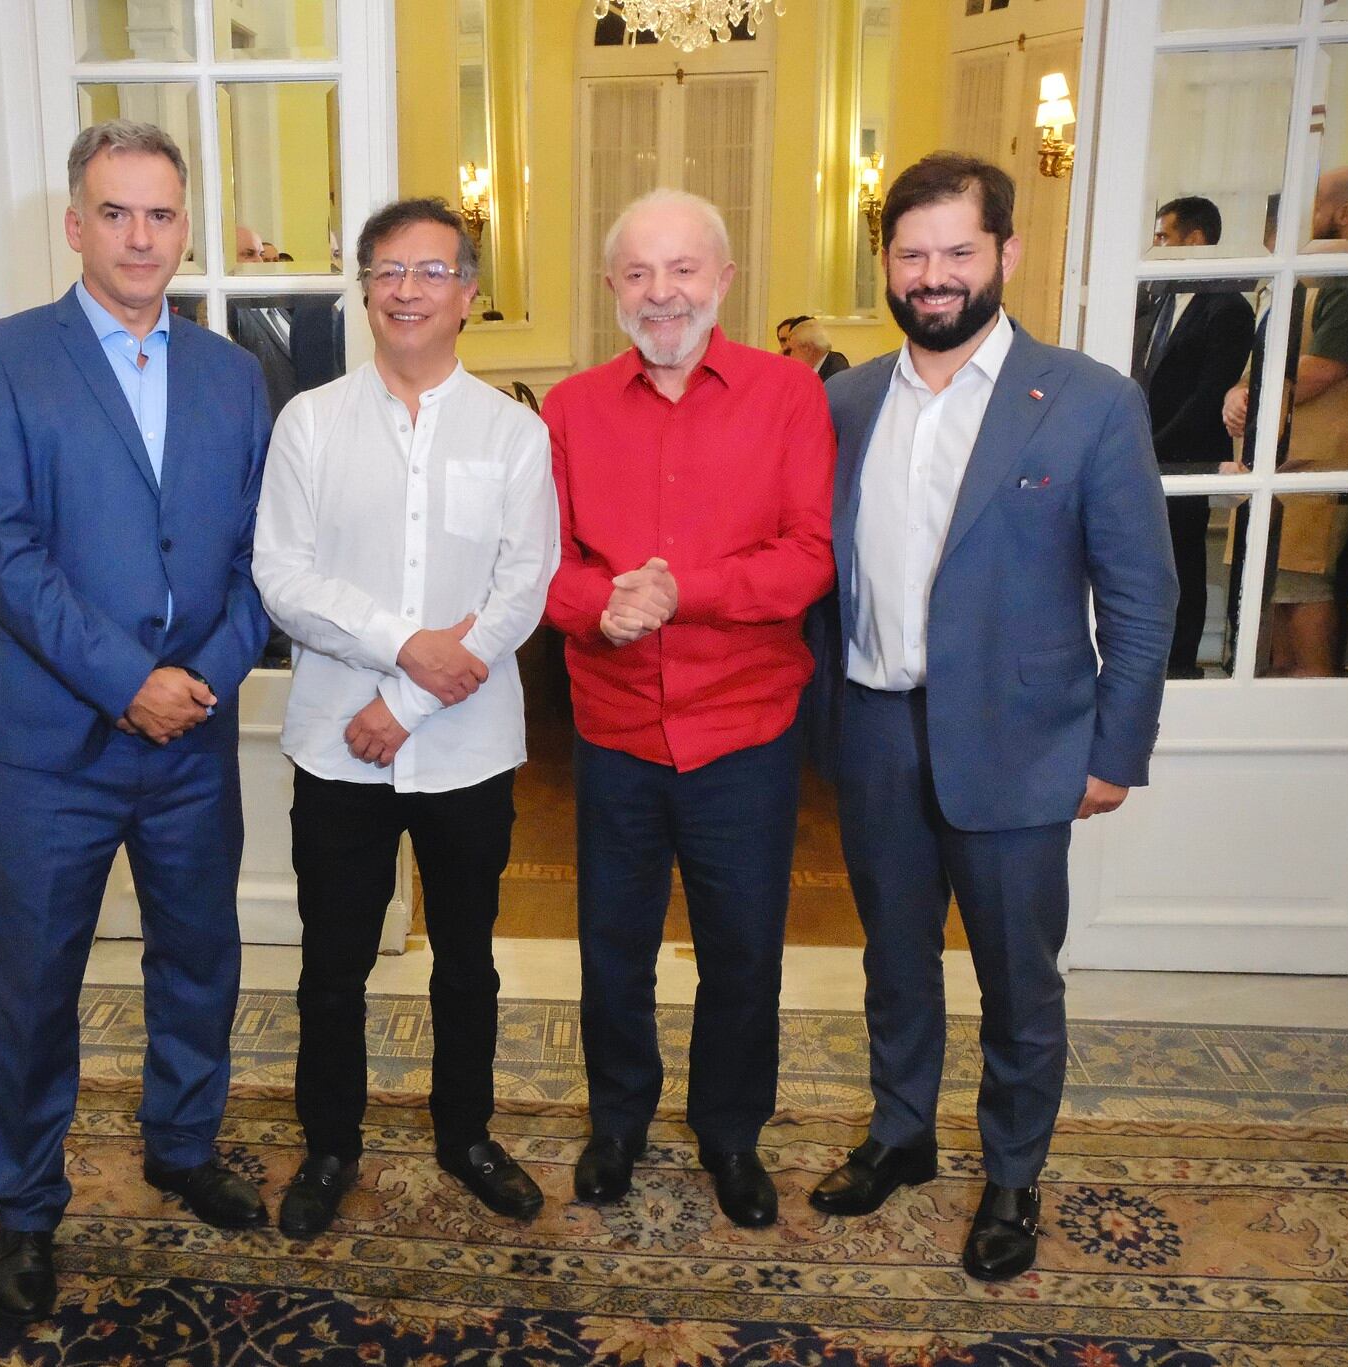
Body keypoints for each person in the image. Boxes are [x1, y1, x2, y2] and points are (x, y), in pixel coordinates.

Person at [805, 153, 1175, 1281]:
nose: (932, 275)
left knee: (1018, 976)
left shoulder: (1088, 400)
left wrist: (1115, 747)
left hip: (1023, 746)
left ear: (1005, 255)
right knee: (894, 956)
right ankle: (900, 1132)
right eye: (911, 253)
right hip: (872, 726)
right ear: (886, 264)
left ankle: (1012, 1172)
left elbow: (1142, 593)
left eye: (957, 251)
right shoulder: (845, 400)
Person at [0, 120, 273, 1324]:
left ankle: (183, 1145)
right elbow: (6, 551)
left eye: (162, 214)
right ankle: (26, 1204)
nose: (142, 237)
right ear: (76, 225)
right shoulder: (1, 360)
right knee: (32, 981)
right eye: (117, 212)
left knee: (199, 956)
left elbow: (257, 556)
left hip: (191, 734)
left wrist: (206, 674)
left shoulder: (235, 374)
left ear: (185, 226)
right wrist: (124, 678)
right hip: (52, 741)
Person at [253, 197, 558, 1237]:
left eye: (432, 271)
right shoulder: (309, 422)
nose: (408, 290)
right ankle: (331, 1141)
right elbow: (281, 578)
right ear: (365, 288)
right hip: (336, 746)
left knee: (466, 954)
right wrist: (403, 643)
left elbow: (522, 590)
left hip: (466, 746)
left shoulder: (514, 434)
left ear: (468, 292)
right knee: (330, 962)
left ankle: (465, 1132)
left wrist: (408, 697)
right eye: (388, 270)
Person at [544, 189, 836, 1228]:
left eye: (681, 270)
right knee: (612, 945)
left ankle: (728, 1130)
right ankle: (617, 1120)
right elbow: (546, 563)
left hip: (744, 728)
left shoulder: (790, 397)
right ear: (611, 287)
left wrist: (682, 592)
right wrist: (597, 603)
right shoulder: (568, 409)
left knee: (742, 947)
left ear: (724, 280)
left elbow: (808, 556)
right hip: (614, 727)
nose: (660, 293)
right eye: (637, 272)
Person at [1221, 167, 1348, 676]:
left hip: (1321, 447)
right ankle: (1276, 678)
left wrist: (1254, 395)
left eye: (1316, 205)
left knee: (1304, 576)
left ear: (1343, 213)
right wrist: (1236, 395)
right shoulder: (1299, 274)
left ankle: (1312, 686)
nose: (1303, 218)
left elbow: (1323, 369)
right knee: (1272, 576)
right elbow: (1259, 361)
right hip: (1271, 448)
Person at [1133, 195, 1254, 677]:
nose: (1156, 245)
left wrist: (1153, 445)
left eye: (1164, 235)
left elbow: (1207, 396)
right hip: (1142, 451)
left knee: (1182, 563)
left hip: (1185, 457)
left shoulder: (1228, 308)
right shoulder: (1158, 297)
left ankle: (1180, 665)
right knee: (1143, 564)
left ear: (1196, 239)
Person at [784, 316, 853, 381]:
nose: (791, 355)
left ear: (807, 348)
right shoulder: (823, 365)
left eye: (793, 350)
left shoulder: (834, 375)